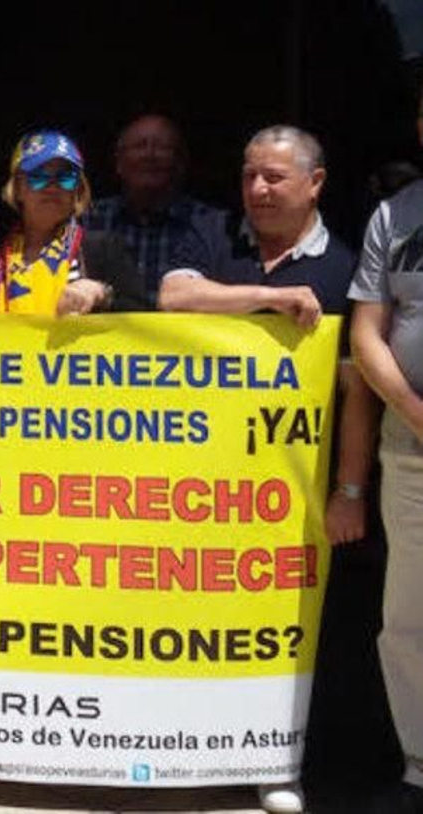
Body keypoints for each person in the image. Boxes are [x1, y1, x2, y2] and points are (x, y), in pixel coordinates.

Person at [160, 127, 379, 814]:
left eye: (275, 178)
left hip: (300, 496)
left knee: (293, 628)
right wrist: (267, 298)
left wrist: (348, 492)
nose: (257, 190)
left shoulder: (343, 266)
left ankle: (277, 764)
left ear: (315, 183)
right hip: (205, 492)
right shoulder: (215, 236)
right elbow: (173, 296)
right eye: (250, 175)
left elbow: (356, 398)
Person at [348, 103, 423, 812]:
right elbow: (368, 331)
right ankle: (419, 769)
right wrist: (413, 411)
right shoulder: (395, 215)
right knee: (408, 616)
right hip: (412, 448)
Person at [0, 130, 146, 314]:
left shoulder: (104, 250)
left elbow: (142, 321)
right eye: (38, 177)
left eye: (65, 178)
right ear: (18, 188)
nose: (52, 187)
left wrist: (102, 293)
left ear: (77, 191)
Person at [83, 113, 229, 295]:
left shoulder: (212, 227)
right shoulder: (88, 219)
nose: (149, 155)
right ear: (118, 163)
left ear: (181, 162)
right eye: (139, 146)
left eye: (162, 147)